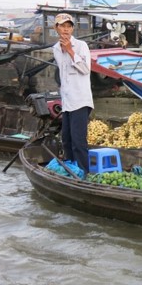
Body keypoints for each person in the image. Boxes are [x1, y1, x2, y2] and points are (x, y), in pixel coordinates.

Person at [52, 13, 94, 175]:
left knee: (78, 141)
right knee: (66, 140)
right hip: (67, 101)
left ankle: (84, 174)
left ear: (72, 29)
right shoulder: (55, 49)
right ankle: (70, 170)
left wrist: (70, 51)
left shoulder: (81, 46)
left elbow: (85, 69)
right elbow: (63, 76)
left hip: (81, 100)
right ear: (56, 28)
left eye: (69, 26)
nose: (66, 29)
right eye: (62, 26)